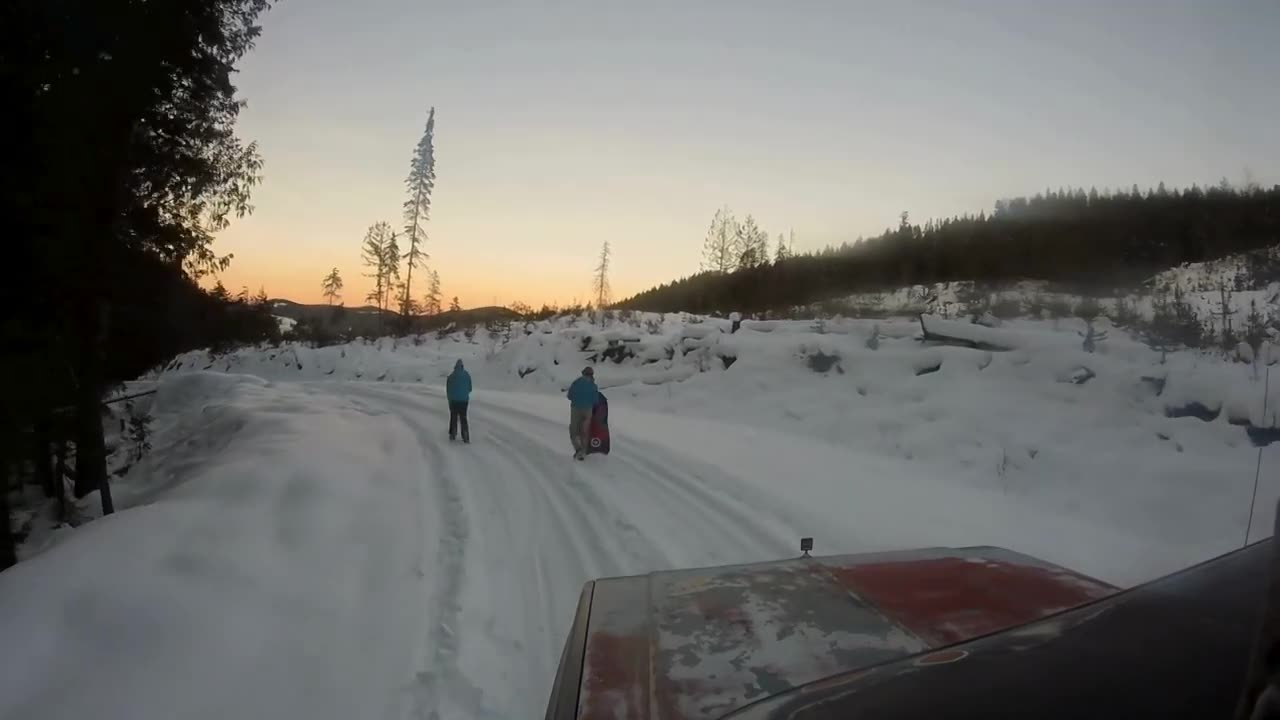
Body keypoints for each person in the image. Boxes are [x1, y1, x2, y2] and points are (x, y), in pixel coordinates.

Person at [566, 366, 598, 460]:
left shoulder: (576, 383)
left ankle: (578, 449)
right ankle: (584, 451)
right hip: (588, 410)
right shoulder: (593, 385)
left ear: (583, 373)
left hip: (576, 409)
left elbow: (569, 396)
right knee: (585, 431)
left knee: (574, 431)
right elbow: (595, 400)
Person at [446, 359, 472, 443]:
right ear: (462, 366)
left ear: (455, 367)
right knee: (463, 417)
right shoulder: (467, 375)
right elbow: (470, 388)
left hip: (453, 401)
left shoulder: (451, 376)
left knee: (453, 416)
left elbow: (448, 390)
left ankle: (453, 433)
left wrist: (450, 400)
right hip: (464, 401)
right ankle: (465, 435)